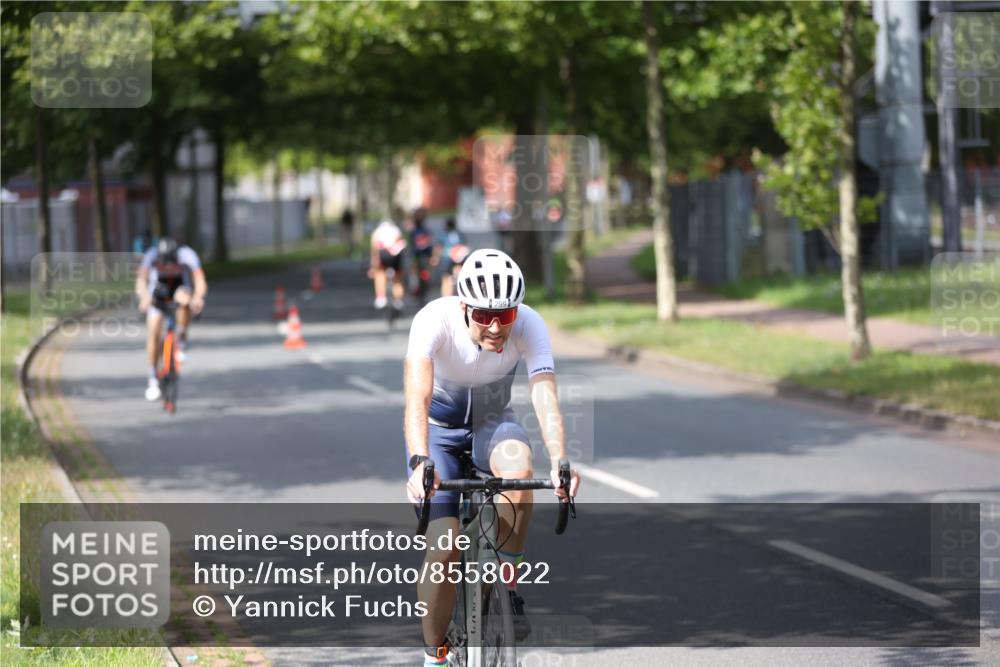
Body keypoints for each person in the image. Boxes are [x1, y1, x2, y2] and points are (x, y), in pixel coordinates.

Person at [403, 248, 581, 666]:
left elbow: (544, 393)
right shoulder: (433, 320)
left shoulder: (530, 324)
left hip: (492, 422)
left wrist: (560, 459)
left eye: (506, 314)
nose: (497, 326)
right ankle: (436, 653)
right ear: (464, 306)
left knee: (521, 472)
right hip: (439, 434)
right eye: (484, 315)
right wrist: (418, 461)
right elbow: (417, 398)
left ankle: (505, 584)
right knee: (443, 549)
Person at [135, 237, 207, 401]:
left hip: (179, 289)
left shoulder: (188, 255)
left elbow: (200, 280)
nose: (168, 267)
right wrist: (144, 297)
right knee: (153, 331)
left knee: (185, 299)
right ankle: (153, 378)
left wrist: (198, 297)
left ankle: (181, 339)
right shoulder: (151, 255)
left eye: (172, 264)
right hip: (158, 291)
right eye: (164, 264)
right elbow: (141, 279)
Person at [369, 218, 407, 310]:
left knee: (380, 274)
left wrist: (374, 266)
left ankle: (381, 298)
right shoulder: (396, 229)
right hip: (395, 255)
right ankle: (399, 300)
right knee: (397, 279)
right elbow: (402, 244)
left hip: (383, 253)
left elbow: (375, 250)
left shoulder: (377, 232)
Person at [431, 217, 470, 298]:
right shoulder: (460, 234)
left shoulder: (443, 235)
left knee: (446, 280)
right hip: (459, 260)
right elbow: (465, 247)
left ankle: (446, 299)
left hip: (447, 260)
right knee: (460, 278)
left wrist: (435, 257)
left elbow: (438, 247)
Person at [408, 207, 435, 303]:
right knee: (421, 272)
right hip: (423, 255)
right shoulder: (424, 231)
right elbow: (430, 244)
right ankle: (422, 284)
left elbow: (411, 245)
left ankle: (416, 286)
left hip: (418, 255)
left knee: (416, 272)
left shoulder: (414, 231)